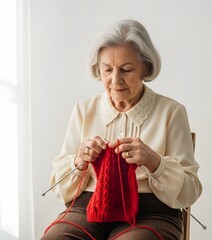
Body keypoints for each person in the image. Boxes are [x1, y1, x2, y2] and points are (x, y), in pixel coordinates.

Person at [41, 19, 202, 240]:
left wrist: (154, 161)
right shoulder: (84, 109)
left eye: (126, 69)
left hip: (152, 213)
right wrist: (78, 162)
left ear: (146, 67)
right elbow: (59, 188)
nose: (115, 80)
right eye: (107, 70)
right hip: (87, 209)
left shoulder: (172, 112)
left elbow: (190, 191)